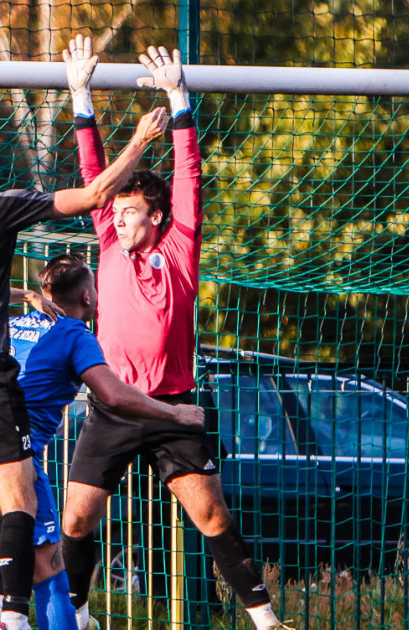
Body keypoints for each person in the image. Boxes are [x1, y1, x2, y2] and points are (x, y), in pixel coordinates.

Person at [0, 98, 169, 630]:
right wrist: (141, 139)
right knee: (23, 498)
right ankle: (14, 614)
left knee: (1, 496)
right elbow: (96, 194)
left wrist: (25, 293)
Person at [58, 45, 292, 630]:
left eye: (130, 211)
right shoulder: (108, 245)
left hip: (170, 409)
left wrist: (178, 101)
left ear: (156, 218)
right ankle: (81, 614)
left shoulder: (179, 250)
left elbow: (188, 175)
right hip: (112, 406)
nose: (117, 218)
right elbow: (93, 176)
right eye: (116, 212)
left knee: (211, 515)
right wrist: (79, 95)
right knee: (76, 520)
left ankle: (265, 620)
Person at [0, 252, 207, 630]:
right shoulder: (74, 334)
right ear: (88, 297)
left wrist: (26, 296)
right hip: (11, 463)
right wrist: (176, 413)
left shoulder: (10, 323)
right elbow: (114, 395)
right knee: (50, 570)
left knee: (6, 561)